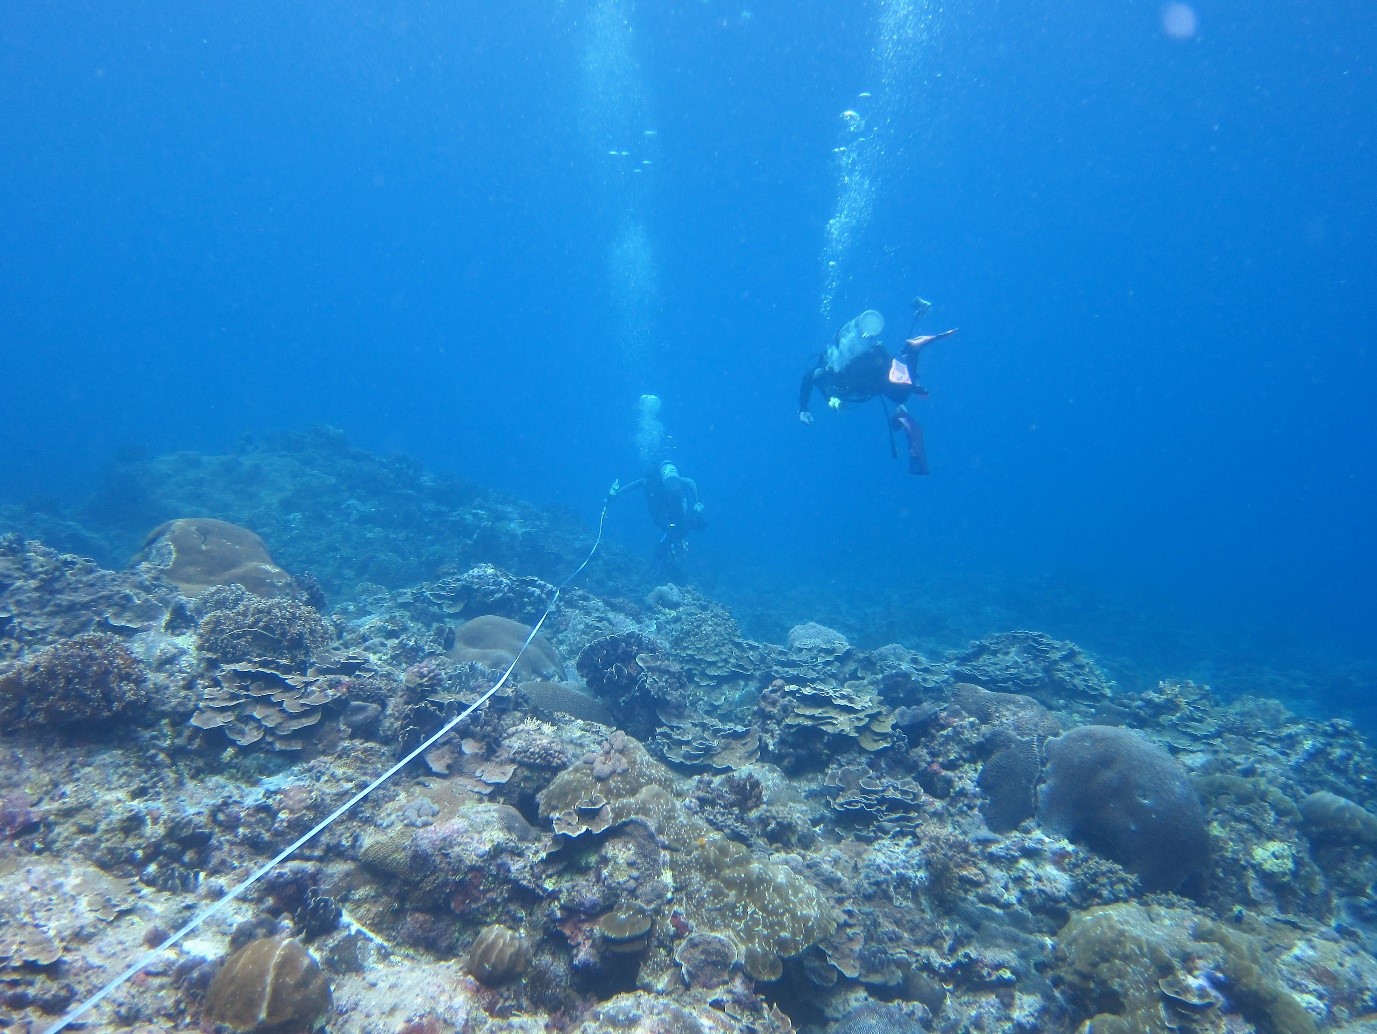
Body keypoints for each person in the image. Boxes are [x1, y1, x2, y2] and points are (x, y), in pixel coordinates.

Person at [798, 300, 956, 475]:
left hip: (861, 380)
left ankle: (911, 352)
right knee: (899, 395)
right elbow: (889, 370)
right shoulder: (844, 364)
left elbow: (809, 377)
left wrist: (803, 409)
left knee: (898, 395)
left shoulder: (828, 373)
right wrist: (910, 388)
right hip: (876, 370)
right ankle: (911, 351)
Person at [607, 460, 707, 576]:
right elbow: (691, 482)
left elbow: (633, 485)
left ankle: (666, 553)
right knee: (673, 527)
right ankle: (663, 556)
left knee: (678, 527)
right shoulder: (652, 482)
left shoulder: (654, 482)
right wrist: (697, 500)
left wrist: (615, 495)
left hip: (668, 507)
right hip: (664, 508)